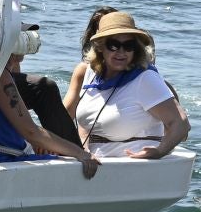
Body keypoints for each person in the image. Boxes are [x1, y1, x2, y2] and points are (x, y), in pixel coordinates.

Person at [63, 12, 187, 159]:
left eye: (129, 46)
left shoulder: (145, 78)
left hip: (133, 168)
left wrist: (159, 151)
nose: (121, 52)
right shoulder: (90, 74)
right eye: (114, 45)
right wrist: (82, 148)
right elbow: (85, 121)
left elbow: (181, 124)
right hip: (93, 165)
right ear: (100, 47)